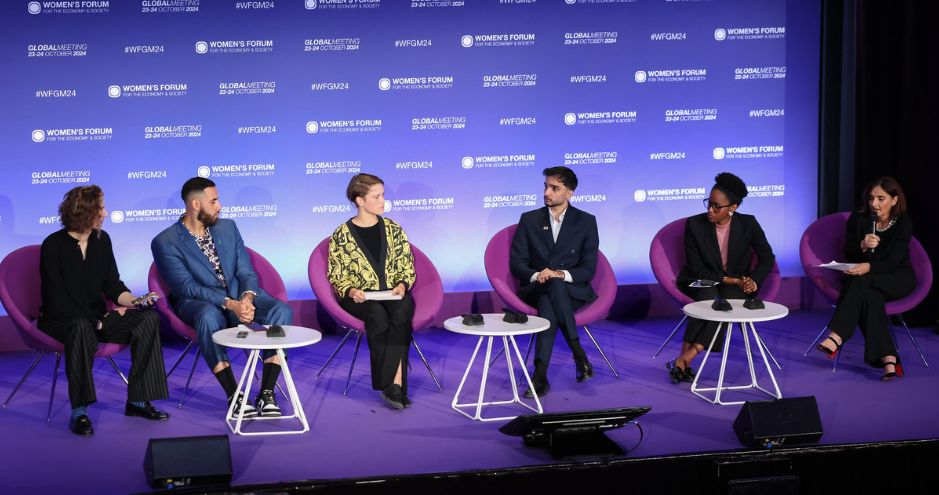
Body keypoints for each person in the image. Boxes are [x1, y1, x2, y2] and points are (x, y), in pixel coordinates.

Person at [151, 177, 292, 417]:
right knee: (208, 316)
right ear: (196, 204)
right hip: (198, 303)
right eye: (214, 201)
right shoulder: (165, 242)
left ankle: (266, 393)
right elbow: (186, 288)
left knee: (282, 311)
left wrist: (246, 299)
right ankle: (234, 395)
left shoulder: (228, 227)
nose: (220, 206)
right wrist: (230, 304)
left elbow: (245, 271)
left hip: (238, 294)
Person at [38, 185, 169, 436]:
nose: (106, 213)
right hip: (61, 320)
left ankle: (138, 401)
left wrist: (135, 300)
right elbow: (56, 299)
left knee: (148, 319)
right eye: (100, 208)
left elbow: (112, 284)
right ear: (85, 212)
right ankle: (80, 410)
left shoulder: (102, 239)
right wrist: (97, 322)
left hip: (98, 319)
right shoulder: (53, 245)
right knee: (80, 327)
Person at [669, 172, 775, 384]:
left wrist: (753, 280)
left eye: (717, 206)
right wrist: (733, 280)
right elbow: (696, 268)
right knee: (709, 297)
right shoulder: (695, 224)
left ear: (733, 208)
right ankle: (685, 360)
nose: (710, 209)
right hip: (699, 279)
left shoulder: (748, 224)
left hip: (734, 284)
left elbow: (767, 257)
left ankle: (684, 359)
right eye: (709, 203)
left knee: (724, 305)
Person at [328, 173, 416, 410]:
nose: (383, 201)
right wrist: (351, 290)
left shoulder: (393, 229)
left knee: (402, 311)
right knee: (377, 315)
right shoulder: (341, 235)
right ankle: (393, 385)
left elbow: (406, 264)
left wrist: (402, 284)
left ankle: (391, 384)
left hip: (392, 292)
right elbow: (336, 274)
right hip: (360, 297)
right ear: (360, 200)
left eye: (383, 195)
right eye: (376, 196)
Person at [510, 166, 599, 398]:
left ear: (569, 192)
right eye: (546, 186)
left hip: (571, 290)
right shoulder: (529, 220)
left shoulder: (586, 222)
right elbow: (517, 264)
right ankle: (578, 353)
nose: (547, 192)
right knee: (550, 289)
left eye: (554, 188)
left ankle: (539, 376)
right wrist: (538, 274)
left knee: (551, 299)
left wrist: (559, 274)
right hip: (536, 286)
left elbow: (588, 269)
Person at [816, 177, 914, 381]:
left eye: (881, 198)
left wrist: (867, 266)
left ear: (894, 200)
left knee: (861, 280)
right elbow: (848, 252)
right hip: (867, 280)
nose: (874, 204)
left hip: (896, 278)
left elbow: (893, 262)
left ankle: (837, 335)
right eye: (871, 199)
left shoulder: (903, 223)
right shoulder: (859, 219)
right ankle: (889, 358)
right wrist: (862, 245)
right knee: (870, 297)